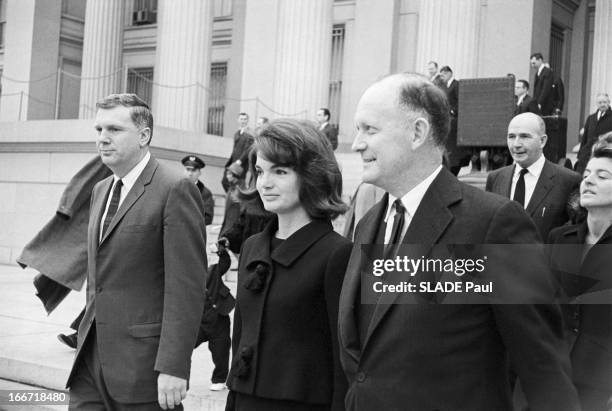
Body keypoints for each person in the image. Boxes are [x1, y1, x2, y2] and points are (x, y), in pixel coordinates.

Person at [339, 72, 579, 410]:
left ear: (417, 132)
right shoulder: (367, 225)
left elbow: (542, 366)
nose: (356, 143)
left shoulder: (493, 224)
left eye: (369, 129)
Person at [66, 93, 207, 410]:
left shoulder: (175, 188)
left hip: (143, 370)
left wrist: (173, 365)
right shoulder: (101, 189)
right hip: (90, 363)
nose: (103, 139)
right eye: (99, 130)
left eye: (114, 130)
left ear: (144, 135)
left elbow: (187, 287)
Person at [225, 118, 351, 411]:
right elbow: (240, 339)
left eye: (280, 171)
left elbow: (342, 361)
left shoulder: (338, 254)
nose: (264, 183)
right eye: (259, 171)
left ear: (312, 176)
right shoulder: (251, 247)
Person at [548, 134, 612, 411]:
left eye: (603, 175)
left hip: (601, 384)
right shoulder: (559, 237)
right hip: (552, 374)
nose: (588, 180)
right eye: (586, 174)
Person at [486, 112, 580, 240]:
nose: (516, 144)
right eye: (511, 137)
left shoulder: (568, 181)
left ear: (542, 141)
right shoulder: (495, 178)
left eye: (524, 136)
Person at [439, 65, 470, 175]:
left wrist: (453, 111)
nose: (441, 77)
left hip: (454, 118)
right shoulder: (443, 86)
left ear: (449, 73)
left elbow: (460, 99)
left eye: (443, 75)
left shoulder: (456, 85)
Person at [575, 93, 612, 175]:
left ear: (609, 102)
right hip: (586, 155)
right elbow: (584, 138)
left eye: (604, 102)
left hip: (603, 154)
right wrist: (580, 154)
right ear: (596, 104)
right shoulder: (591, 118)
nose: (602, 104)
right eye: (600, 102)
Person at [222, 113, 253, 191]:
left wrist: (240, 161)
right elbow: (234, 149)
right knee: (225, 181)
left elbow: (248, 150)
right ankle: (231, 197)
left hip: (241, 164)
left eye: (245, 119)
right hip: (233, 162)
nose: (243, 121)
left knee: (238, 184)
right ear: (238, 120)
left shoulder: (250, 134)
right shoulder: (237, 133)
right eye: (241, 119)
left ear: (248, 120)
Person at [182, 155, 215, 225]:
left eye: (193, 170)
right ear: (184, 171)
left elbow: (208, 218)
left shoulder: (205, 193)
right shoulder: (175, 188)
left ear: (199, 173)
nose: (190, 174)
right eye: (187, 170)